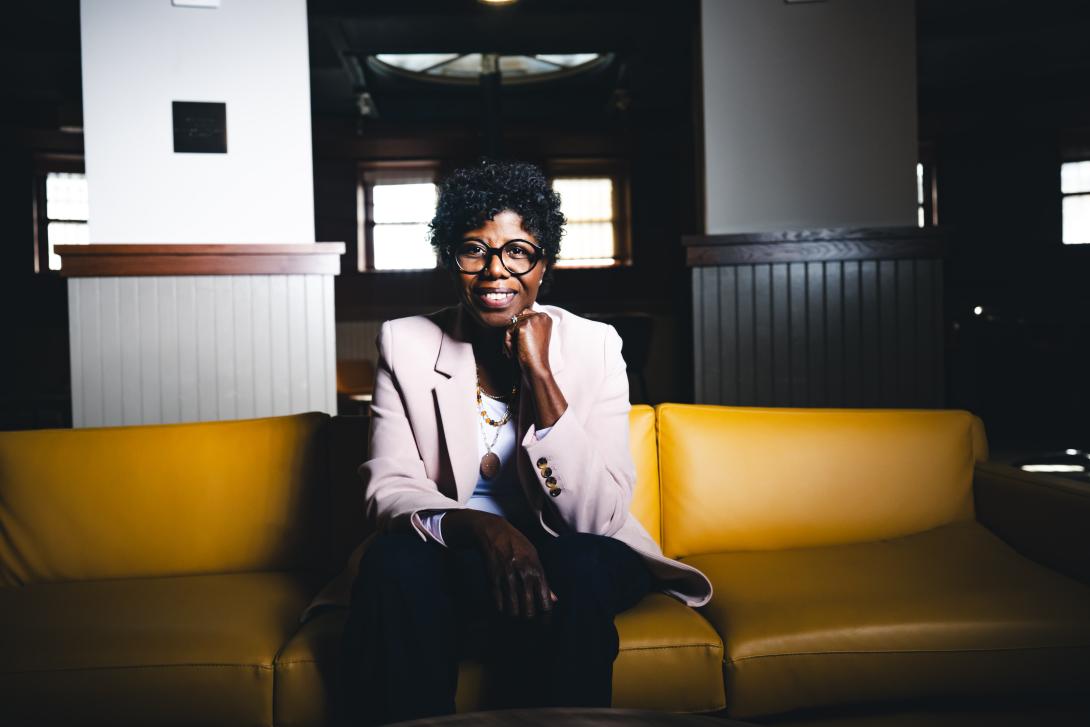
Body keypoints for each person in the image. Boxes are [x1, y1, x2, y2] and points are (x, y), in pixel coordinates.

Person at [336, 159, 711, 726]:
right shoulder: (405, 342)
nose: (495, 271)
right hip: (459, 549)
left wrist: (540, 374)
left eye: (518, 251)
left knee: (581, 566)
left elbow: (595, 515)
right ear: (451, 260)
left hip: (573, 548)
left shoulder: (596, 346)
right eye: (474, 250)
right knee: (391, 564)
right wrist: (487, 529)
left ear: (544, 264)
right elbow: (388, 489)